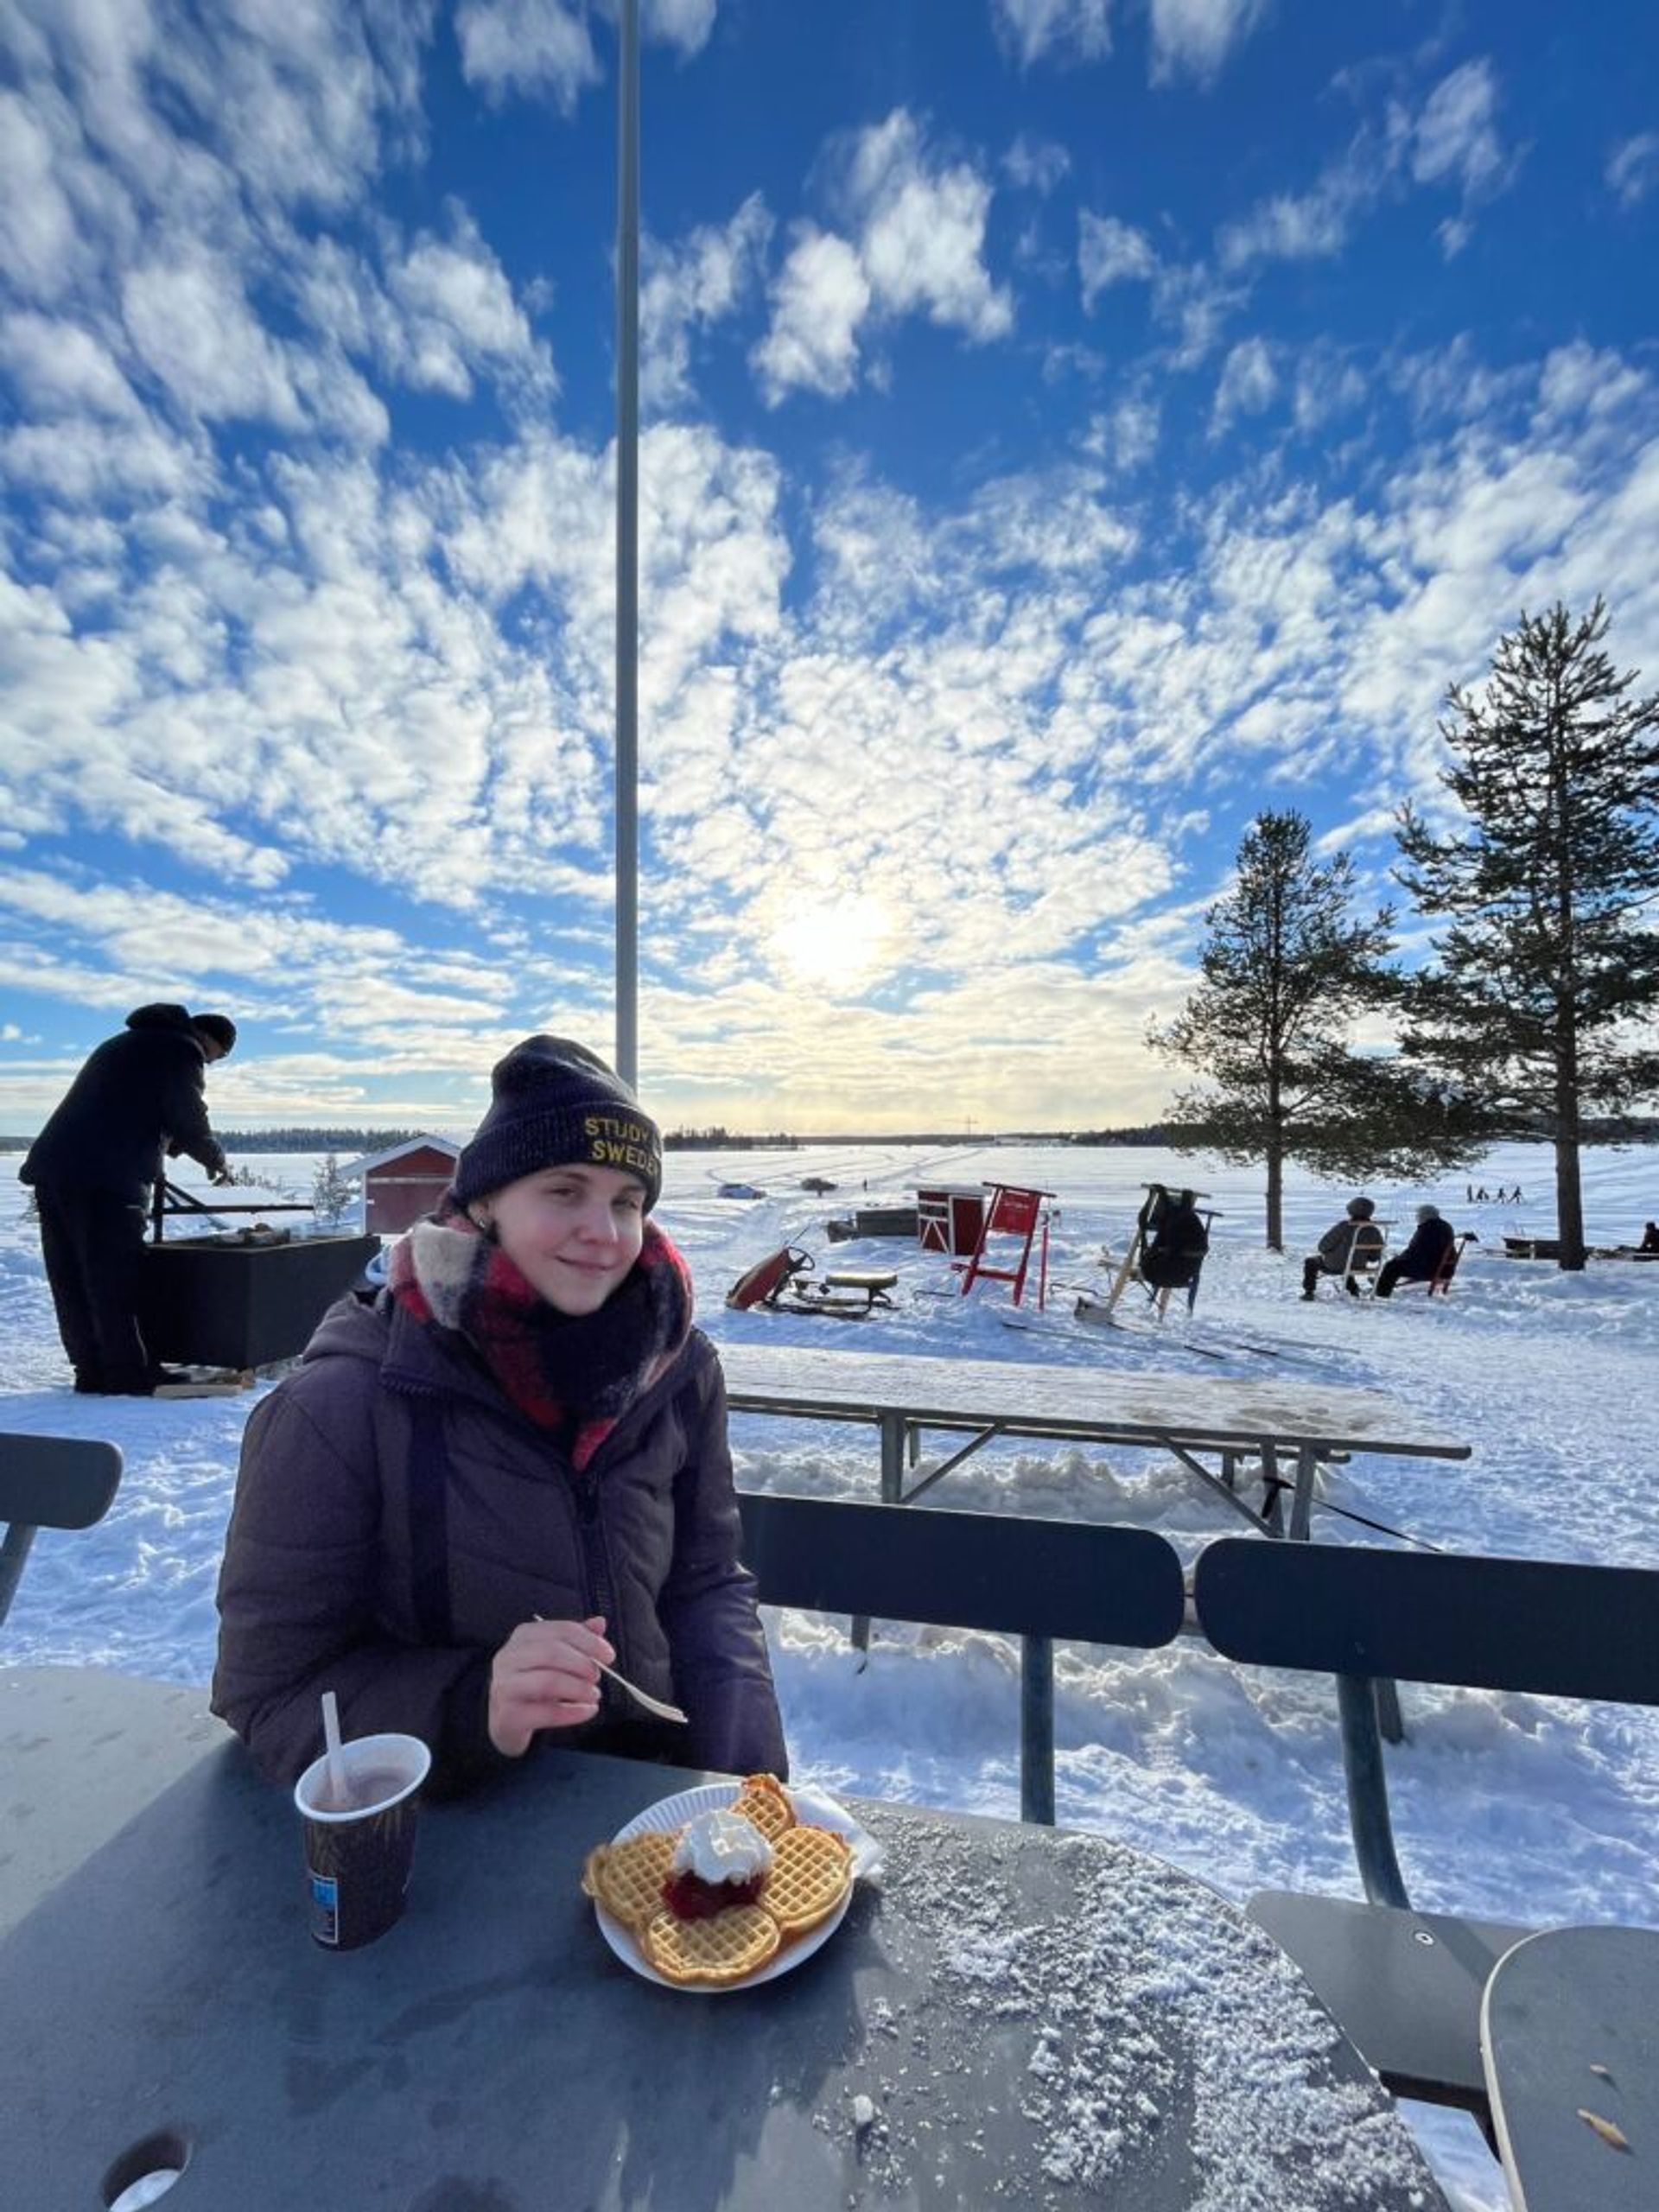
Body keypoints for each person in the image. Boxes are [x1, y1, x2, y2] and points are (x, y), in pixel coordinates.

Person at [212, 1034, 788, 1799]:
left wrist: (750, 1785)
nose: (605, 1232)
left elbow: (706, 1584)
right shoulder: (343, 1404)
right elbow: (272, 1693)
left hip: (655, 1810)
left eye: (626, 1201)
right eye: (564, 1190)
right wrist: (469, 1706)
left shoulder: (676, 1368)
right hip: (451, 1838)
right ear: (484, 1203)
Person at [19, 1003, 237, 1395]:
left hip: (56, 1171)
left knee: (71, 1276)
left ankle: (91, 1370)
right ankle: (128, 1374)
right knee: (117, 1278)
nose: (209, 1064)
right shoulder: (179, 1050)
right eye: (215, 1057)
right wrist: (218, 1161)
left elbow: (131, 1108)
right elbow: (186, 1117)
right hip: (107, 1178)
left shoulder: (127, 1043)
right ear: (208, 1041)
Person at [1300, 1196, 1384, 1300]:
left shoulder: (1344, 1226)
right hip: (1358, 1265)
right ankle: (1353, 1290)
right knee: (1348, 1261)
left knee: (1310, 1262)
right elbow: (1375, 1257)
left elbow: (1323, 1246)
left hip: (1335, 1266)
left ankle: (1309, 1292)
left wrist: (1329, 1253)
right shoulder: (1373, 1230)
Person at [1373, 1204, 1456, 1298]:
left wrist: (1400, 1258)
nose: (1417, 1218)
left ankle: (1381, 1293)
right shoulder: (1444, 1226)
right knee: (1395, 1263)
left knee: (1391, 1266)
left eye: (1418, 1216)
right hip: (1444, 1269)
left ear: (1425, 1216)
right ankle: (1382, 1283)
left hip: (1430, 1269)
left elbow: (1416, 1251)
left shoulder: (1427, 1229)